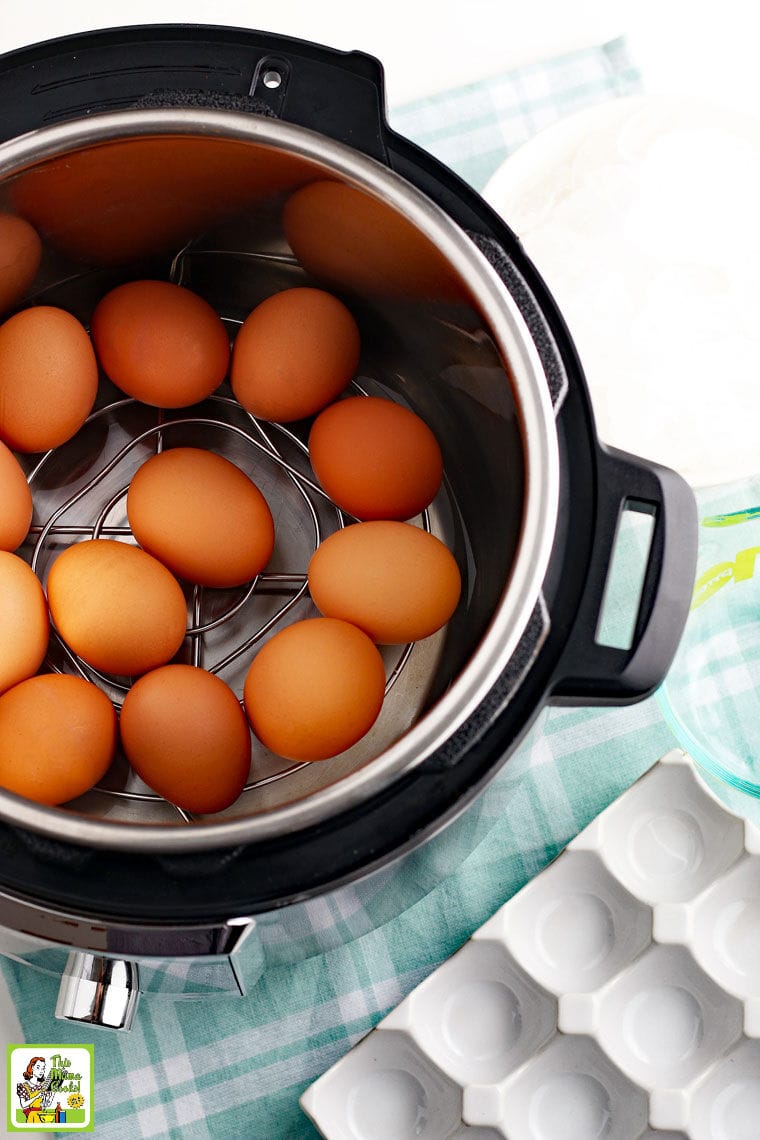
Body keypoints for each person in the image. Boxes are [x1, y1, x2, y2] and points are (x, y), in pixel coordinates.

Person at [16, 1056, 53, 1123]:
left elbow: (47, 1103)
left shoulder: (43, 1085)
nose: (41, 1071)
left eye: (43, 1068)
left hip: (41, 1116)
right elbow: (23, 1105)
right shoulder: (23, 1086)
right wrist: (37, 1096)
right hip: (31, 1116)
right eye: (38, 1068)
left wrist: (48, 1096)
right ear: (32, 1067)